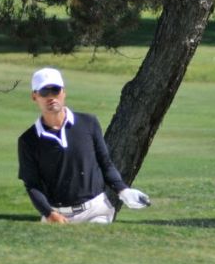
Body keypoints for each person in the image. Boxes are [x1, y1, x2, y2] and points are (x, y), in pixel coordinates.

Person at [17, 67, 150, 223]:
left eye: (55, 90)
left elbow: (105, 163)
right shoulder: (28, 140)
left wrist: (123, 190)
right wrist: (48, 213)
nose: (51, 97)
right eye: (44, 92)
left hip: (96, 211)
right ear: (35, 96)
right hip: (56, 215)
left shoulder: (88, 123)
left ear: (63, 92)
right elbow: (32, 185)